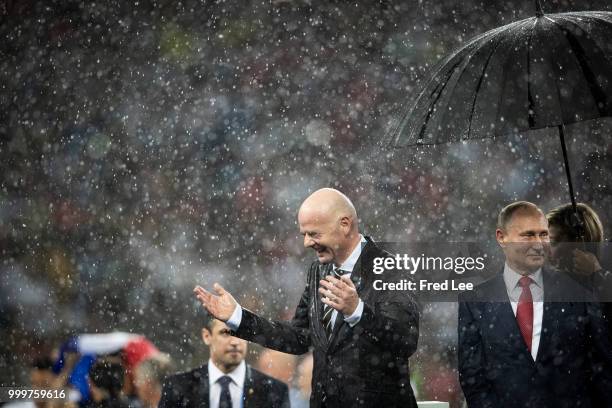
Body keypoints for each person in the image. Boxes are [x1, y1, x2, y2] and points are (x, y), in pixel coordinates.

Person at [194, 188, 419, 407]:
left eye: (314, 234)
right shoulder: (318, 271)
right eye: (304, 234)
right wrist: (238, 317)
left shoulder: (390, 268)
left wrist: (357, 311)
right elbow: (298, 337)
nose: (307, 243)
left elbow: (405, 341)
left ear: (345, 225)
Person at [458, 201, 612, 408]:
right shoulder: (475, 299)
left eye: (544, 234)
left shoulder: (579, 291)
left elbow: (601, 366)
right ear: (501, 237)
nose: (539, 243)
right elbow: (472, 374)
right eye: (528, 235)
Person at [158, 316, 289, 407]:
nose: (235, 342)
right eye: (225, 333)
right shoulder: (178, 387)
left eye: (242, 334)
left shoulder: (274, 391)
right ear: (207, 336)